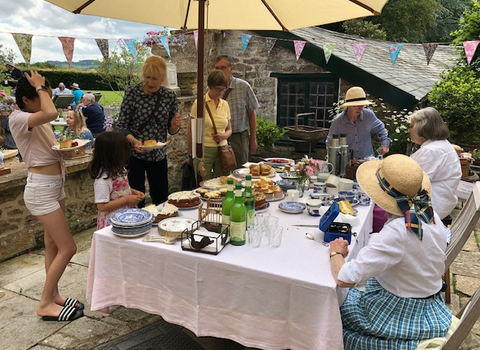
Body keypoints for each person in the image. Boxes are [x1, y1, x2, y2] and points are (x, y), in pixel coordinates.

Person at [329, 154, 451, 349]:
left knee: (334, 313)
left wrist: (335, 252)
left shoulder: (397, 230)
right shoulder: (429, 213)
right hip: (429, 305)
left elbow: (344, 278)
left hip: (401, 311)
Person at [8, 71, 84, 322]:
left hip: (54, 185)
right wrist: (40, 86)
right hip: (40, 190)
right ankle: (44, 304)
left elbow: (48, 150)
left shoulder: (34, 118)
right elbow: (51, 113)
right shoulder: (18, 117)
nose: (48, 101)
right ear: (28, 100)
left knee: (53, 245)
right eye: (43, 96)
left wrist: (69, 152)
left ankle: (53, 295)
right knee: (68, 247)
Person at [117, 55, 181, 207]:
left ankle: (161, 225)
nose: (150, 82)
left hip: (158, 155)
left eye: (155, 79)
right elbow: (122, 126)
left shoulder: (169, 96)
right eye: (147, 77)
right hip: (134, 154)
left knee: (161, 198)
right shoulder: (132, 93)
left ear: (163, 78)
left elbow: (172, 131)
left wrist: (174, 125)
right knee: (136, 198)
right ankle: (137, 227)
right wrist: (134, 141)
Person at [409, 107, 462, 222]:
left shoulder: (431, 151)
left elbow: (412, 183)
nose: (409, 130)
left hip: (430, 209)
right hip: (441, 204)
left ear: (422, 127)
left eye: (411, 126)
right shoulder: (440, 145)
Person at [87, 132, 145, 229]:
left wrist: (133, 192)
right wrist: (126, 199)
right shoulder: (103, 180)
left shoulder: (120, 169)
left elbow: (122, 189)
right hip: (113, 222)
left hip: (127, 216)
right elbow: (102, 206)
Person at [214, 55, 259, 166]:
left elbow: (251, 113)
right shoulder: (211, 89)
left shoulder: (243, 87)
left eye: (223, 67)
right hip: (217, 137)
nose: (220, 71)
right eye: (217, 68)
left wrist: (253, 139)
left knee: (240, 170)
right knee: (220, 171)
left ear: (231, 68)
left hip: (238, 136)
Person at [188, 70, 232, 180]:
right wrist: (191, 154)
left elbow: (229, 129)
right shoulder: (199, 103)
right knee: (204, 183)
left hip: (223, 149)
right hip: (204, 150)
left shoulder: (225, 104)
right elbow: (191, 131)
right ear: (210, 86)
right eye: (218, 89)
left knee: (224, 182)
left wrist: (224, 136)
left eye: (223, 89)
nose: (221, 92)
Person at [326, 86, 390, 159]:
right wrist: (334, 161)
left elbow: (381, 129)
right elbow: (330, 143)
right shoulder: (338, 122)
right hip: (347, 165)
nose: (359, 108)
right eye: (355, 106)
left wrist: (385, 144)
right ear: (348, 106)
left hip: (367, 162)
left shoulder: (369, 115)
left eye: (361, 105)